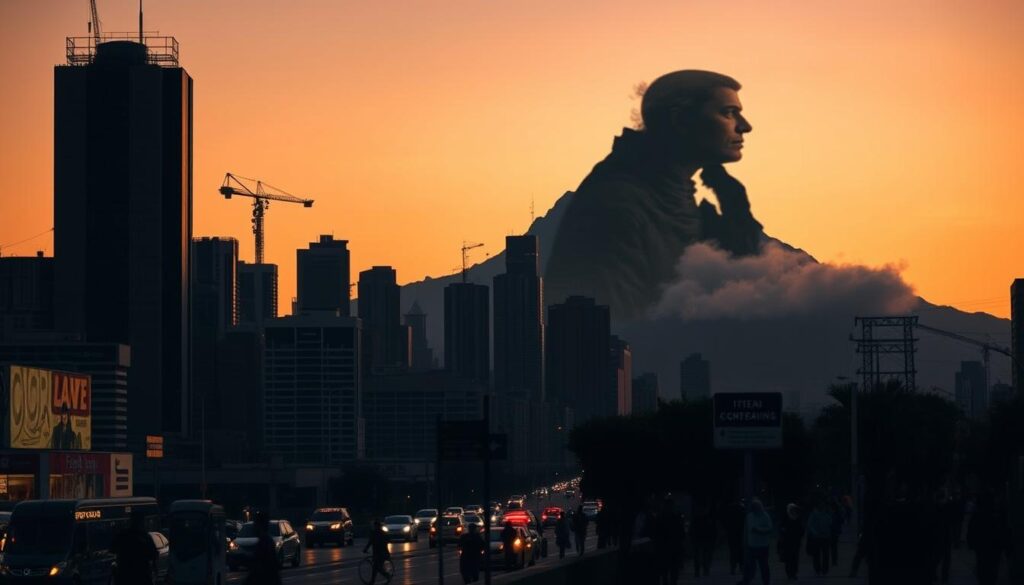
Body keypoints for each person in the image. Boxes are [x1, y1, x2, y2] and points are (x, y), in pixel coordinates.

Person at [545, 69, 762, 320]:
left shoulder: (675, 198)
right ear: (680, 119)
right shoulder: (617, 204)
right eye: (728, 113)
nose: (745, 127)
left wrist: (736, 209)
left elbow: (738, 288)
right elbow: (616, 326)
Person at [967, 492, 1010, 585]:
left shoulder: (978, 516)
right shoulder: (996, 515)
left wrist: (972, 544)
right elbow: (1004, 531)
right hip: (994, 548)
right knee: (992, 571)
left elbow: (971, 531)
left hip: (983, 548)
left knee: (983, 569)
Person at [110, 511, 158, 585]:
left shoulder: (122, 535)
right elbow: (154, 555)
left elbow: (112, 549)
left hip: (124, 576)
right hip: (141, 576)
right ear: (141, 522)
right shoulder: (145, 537)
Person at [738, 497, 772, 585]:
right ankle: (746, 581)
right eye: (753, 507)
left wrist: (759, 530)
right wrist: (744, 541)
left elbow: (769, 529)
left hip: (762, 546)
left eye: (756, 507)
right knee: (748, 565)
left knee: (763, 566)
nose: (754, 509)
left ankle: (766, 582)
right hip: (751, 545)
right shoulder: (749, 516)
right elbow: (746, 530)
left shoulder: (765, 516)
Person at [244, 512, 281, 585]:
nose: (253, 527)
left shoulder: (264, 542)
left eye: (255, 524)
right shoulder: (267, 540)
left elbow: (259, 566)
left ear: (259, 525)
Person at [654, 498, 684, 585]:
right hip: (674, 548)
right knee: (673, 571)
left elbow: (655, 533)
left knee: (664, 572)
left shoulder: (660, 518)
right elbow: (681, 534)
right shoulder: (676, 518)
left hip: (663, 548)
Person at [777, 503, 805, 582]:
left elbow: (801, 529)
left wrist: (800, 534)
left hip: (796, 541)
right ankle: (789, 573)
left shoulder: (798, 518)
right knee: (789, 559)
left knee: (795, 558)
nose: (793, 511)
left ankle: (794, 573)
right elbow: (781, 528)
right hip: (787, 542)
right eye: (792, 509)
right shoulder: (786, 518)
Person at [806, 499, 832, 576]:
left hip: (825, 537)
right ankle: (818, 569)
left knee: (825, 554)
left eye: (823, 505)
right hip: (817, 537)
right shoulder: (814, 514)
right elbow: (810, 525)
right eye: (821, 505)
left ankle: (824, 569)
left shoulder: (826, 514)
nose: (822, 506)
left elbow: (830, 522)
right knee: (817, 554)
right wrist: (815, 532)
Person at [690, 503, 716, 578]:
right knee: (701, 556)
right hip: (701, 539)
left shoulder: (701, 519)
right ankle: (701, 570)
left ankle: (701, 570)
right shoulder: (705, 519)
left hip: (702, 539)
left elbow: (711, 530)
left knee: (701, 556)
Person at [362, 519, 392, 584]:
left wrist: (365, 549)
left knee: (377, 567)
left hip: (378, 553)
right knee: (375, 567)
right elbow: (389, 540)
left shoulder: (374, 533)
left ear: (375, 526)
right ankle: (373, 581)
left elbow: (370, 542)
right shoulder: (384, 533)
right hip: (384, 552)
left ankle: (387, 575)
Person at [725, 500, 745, 575]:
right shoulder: (742, 510)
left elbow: (726, 522)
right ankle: (741, 566)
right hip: (739, 533)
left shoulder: (729, 511)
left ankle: (733, 567)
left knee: (733, 551)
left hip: (732, 533)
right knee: (740, 551)